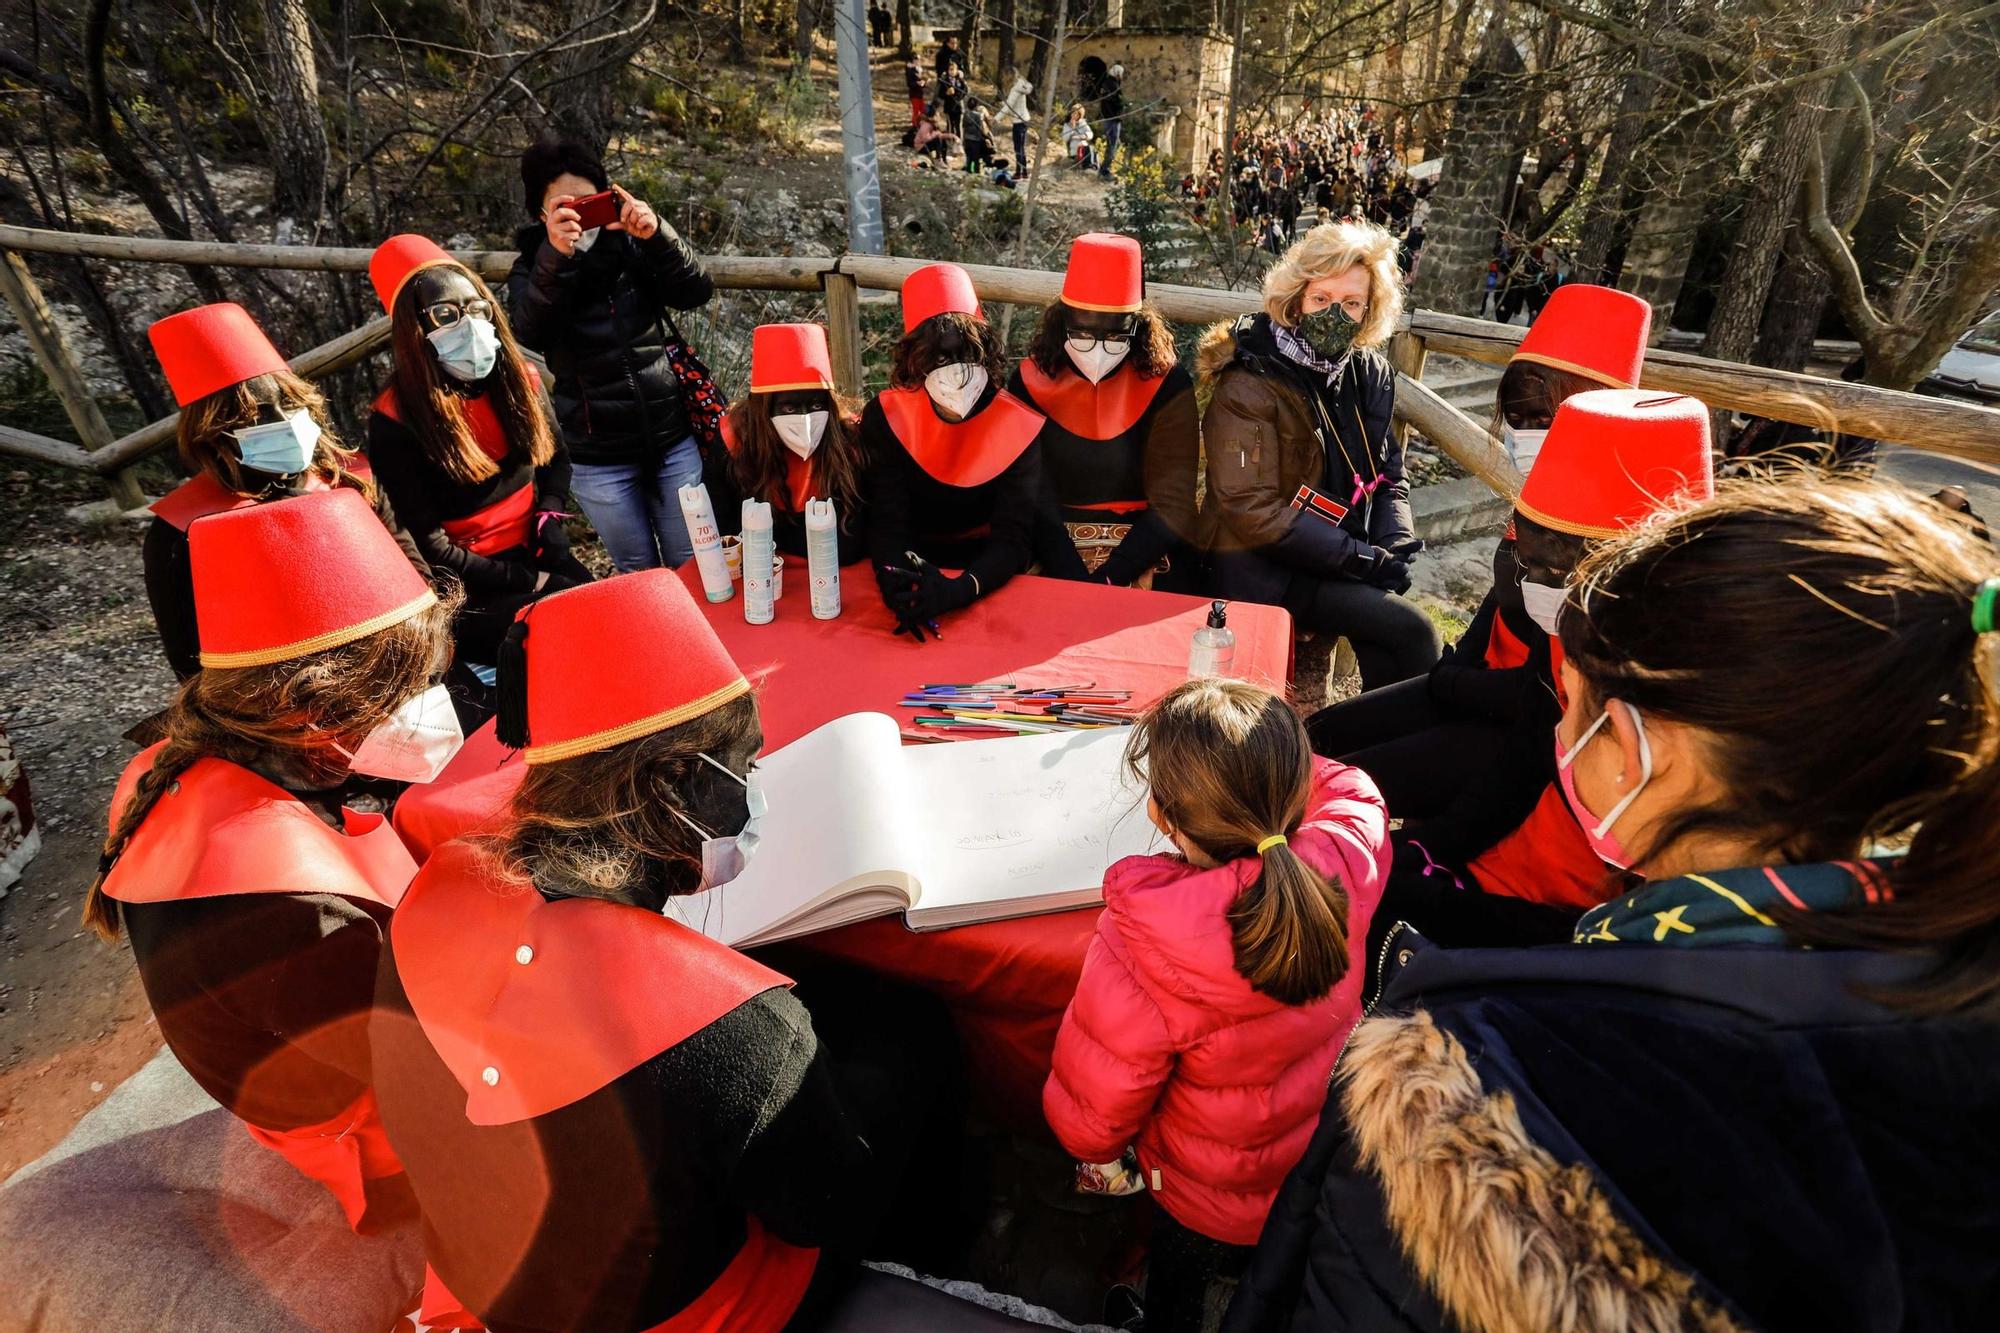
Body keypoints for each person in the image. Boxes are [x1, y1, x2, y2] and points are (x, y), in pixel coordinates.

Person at [1226, 475, 2000, 1332]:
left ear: (1639, 748)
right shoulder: (1947, 966)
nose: (1558, 736)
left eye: (1574, 707)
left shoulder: (1478, 1079)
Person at [370, 570, 966, 1329]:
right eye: (746, 765)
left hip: (494, 1276)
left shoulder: (432, 894)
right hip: (699, 1311)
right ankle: (942, 1248)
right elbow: (822, 1208)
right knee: (917, 1041)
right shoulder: (743, 1036)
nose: (756, 784)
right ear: (672, 782)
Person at [88, 488, 458, 1236]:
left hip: (337, 1027)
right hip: (370, 1124)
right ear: (311, 710)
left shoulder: (192, 759)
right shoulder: (279, 910)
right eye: (400, 690)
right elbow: (436, 1070)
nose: (423, 705)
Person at [1045, 679, 1390, 1333]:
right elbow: (1349, 786)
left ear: (1160, 815)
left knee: (1178, 1292)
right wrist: (1256, 768)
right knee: (1274, 1266)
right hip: (1309, 1152)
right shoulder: (1348, 852)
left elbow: (1093, 1115)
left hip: (1201, 1192)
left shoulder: (1145, 943)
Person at [1303, 284, 1653, 815]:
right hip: (1474, 687)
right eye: (1517, 416)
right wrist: (1455, 670)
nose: (1524, 435)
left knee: (1331, 784)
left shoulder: (1614, 536)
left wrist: (1450, 682)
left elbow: (1547, 695)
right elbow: (1501, 596)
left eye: (1543, 418)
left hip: (1524, 730)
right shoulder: (1545, 493)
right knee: (1313, 736)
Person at [1382, 390, 1714, 947]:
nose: (1530, 582)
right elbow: (1525, 760)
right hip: (1506, 862)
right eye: (1520, 557)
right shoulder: (1570, 628)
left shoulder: (1699, 715)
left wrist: (1436, 895)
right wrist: (1428, 850)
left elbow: (1604, 942)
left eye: (1549, 568)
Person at [1196, 221, 1440, 692]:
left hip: (1333, 551)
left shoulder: (1368, 372)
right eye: (1321, 299)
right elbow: (1250, 510)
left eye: (1351, 304)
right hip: (1265, 565)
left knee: (1388, 638)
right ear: (1296, 298)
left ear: (1369, 310)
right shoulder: (1249, 378)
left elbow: (1387, 473)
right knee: (1413, 631)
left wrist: (1396, 543)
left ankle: (1368, 751)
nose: (1334, 314)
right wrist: (1362, 561)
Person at [140, 301, 425, 682]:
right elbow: (193, 665)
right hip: (285, 703)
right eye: (256, 414)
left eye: (288, 403)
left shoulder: (350, 479)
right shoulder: (182, 532)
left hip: (402, 665)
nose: (284, 423)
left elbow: (417, 575)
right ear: (212, 430)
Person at [367, 233, 591, 665]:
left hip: (534, 546)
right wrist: (531, 579)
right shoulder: (393, 420)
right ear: (416, 330)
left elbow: (555, 460)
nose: (468, 325)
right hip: (468, 584)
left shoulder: (519, 379)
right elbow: (429, 546)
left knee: (611, 603)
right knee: (562, 631)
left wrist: (549, 517)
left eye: (476, 309)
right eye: (446, 315)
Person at [507, 137, 717, 572]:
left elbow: (696, 291)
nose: (579, 215)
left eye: (589, 201)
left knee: (693, 567)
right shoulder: (533, 265)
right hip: (598, 457)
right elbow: (530, 330)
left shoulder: (632, 246)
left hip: (670, 438)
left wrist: (658, 235)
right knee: (638, 572)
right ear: (540, 213)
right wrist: (557, 257)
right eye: (565, 206)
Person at [859, 262, 1046, 640]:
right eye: (941, 359)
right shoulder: (886, 415)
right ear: (915, 359)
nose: (956, 372)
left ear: (986, 355)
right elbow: (887, 518)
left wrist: (960, 590)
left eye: (967, 356)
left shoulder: (1018, 424)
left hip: (985, 571)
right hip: (910, 558)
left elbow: (1013, 536)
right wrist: (895, 583)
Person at [1010, 233, 1198, 589]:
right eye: (1081, 335)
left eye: (1115, 338)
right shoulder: (1027, 382)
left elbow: (1174, 501)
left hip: (1146, 541)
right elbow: (1029, 491)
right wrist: (1070, 572)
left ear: (1138, 328)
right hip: (1051, 541)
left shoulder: (1169, 385)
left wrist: (1113, 575)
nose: (1097, 350)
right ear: (1060, 322)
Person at [708, 322, 869, 566]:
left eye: (816, 405)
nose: (805, 420)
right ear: (764, 408)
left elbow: (854, 538)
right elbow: (724, 533)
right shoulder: (734, 443)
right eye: (790, 408)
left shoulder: (849, 442)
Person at [1002, 77, 1035, 172]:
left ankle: (1019, 171)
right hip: (1025, 120)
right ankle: (1023, 171)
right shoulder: (1022, 86)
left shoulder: (1015, 91)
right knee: (1021, 148)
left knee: (1018, 149)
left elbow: (1007, 107)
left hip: (1019, 122)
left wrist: (996, 119)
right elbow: (1030, 87)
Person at [1098, 63, 1125, 178]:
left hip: (1107, 117)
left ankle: (1105, 168)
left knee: (1113, 144)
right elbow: (1117, 102)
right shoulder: (1113, 86)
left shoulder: (1106, 84)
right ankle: (1105, 170)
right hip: (1113, 119)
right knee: (1112, 145)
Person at [936, 61, 967, 138]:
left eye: (954, 70)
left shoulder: (960, 80)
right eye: (950, 69)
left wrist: (957, 96)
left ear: (957, 70)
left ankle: (959, 143)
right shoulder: (944, 81)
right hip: (949, 107)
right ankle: (950, 143)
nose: (952, 71)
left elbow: (965, 90)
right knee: (950, 126)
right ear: (947, 70)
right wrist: (946, 93)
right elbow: (940, 94)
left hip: (958, 106)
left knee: (958, 126)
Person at [962, 102, 994, 174]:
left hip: (969, 140)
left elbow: (964, 127)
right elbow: (983, 132)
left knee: (969, 157)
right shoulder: (980, 120)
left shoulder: (967, 115)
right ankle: (978, 171)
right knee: (976, 158)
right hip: (979, 143)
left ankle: (969, 169)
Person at [1062, 103, 1096, 169]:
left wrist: (1083, 136)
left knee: (1091, 149)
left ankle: (1091, 166)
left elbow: (1090, 134)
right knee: (1080, 148)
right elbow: (1065, 138)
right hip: (1073, 149)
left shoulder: (1083, 123)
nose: (1073, 115)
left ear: (1079, 115)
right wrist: (1072, 130)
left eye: (1076, 114)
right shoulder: (1067, 125)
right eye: (1072, 113)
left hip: (1083, 147)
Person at [905, 58, 928, 127]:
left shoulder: (919, 70)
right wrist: (917, 83)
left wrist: (924, 83)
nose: (918, 62)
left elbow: (922, 82)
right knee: (916, 110)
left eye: (919, 60)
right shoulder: (910, 71)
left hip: (920, 93)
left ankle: (920, 123)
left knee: (922, 109)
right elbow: (909, 83)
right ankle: (915, 125)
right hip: (914, 94)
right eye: (916, 60)